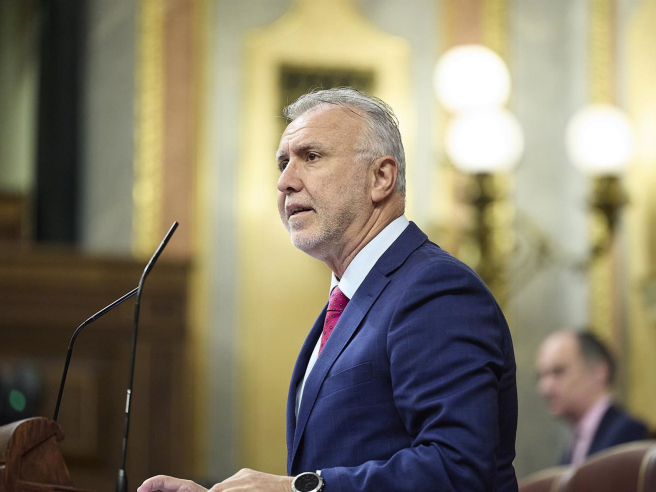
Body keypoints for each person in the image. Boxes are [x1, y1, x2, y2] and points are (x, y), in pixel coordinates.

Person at [139, 87, 518, 492]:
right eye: (283, 163)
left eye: (311, 156)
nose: (285, 182)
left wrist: (295, 489)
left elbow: (458, 470)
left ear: (381, 177)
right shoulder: (350, 301)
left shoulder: (435, 289)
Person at [536, 330, 648, 466]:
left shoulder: (628, 434)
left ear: (599, 372)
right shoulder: (574, 446)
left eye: (558, 372)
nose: (545, 388)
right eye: (541, 376)